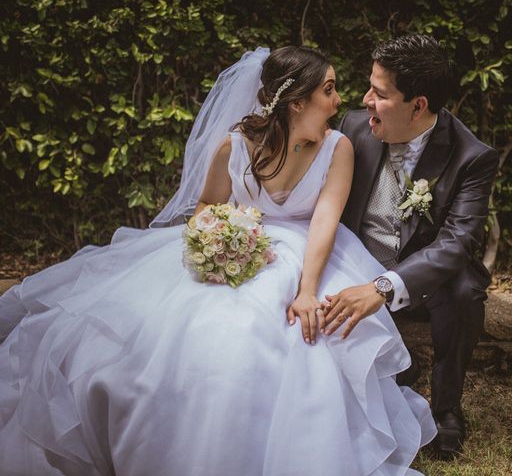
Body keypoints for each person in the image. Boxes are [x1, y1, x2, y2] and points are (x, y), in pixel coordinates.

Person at [0, 46, 437, 475]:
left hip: (309, 255)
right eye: (329, 89)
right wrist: (222, 238)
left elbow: (325, 221)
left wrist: (306, 292)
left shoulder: (338, 147)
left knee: (270, 335)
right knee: (169, 332)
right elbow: (207, 204)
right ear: (297, 101)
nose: (340, 100)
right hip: (238, 249)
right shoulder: (236, 145)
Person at [324, 35, 499, 459]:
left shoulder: (471, 157)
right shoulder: (351, 128)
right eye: (370, 86)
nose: (365, 100)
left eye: (380, 93)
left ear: (418, 105)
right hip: (353, 262)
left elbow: (458, 243)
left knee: (464, 291)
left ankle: (446, 409)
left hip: (421, 278)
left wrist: (383, 287)